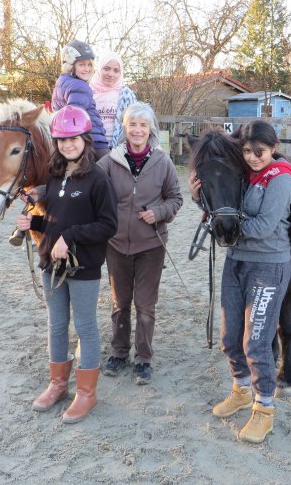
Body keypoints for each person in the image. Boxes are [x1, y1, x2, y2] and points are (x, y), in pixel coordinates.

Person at [188, 120, 291, 444]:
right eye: (247, 151)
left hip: (267, 266)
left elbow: (263, 226)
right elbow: (223, 201)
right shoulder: (245, 173)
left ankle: (264, 409)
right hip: (236, 262)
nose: (252, 157)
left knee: (256, 343)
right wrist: (200, 200)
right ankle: (241, 389)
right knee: (230, 336)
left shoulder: (281, 177)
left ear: (273, 148)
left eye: (259, 151)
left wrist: (225, 224)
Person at [15, 105, 118, 423]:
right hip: (51, 265)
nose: (68, 145)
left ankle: (86, 393)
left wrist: (71, 236)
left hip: (83, 267)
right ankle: (58, 384)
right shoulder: (56, 177)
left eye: (74, 139)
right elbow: (55, 224)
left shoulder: (98, 179)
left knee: (85, 327)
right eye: (62, 140)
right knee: (56, 325)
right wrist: (32, 224)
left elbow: (108, 225)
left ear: (85, 140)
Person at [97, 102, 183, 385]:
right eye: (132, 124)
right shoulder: (110, 161)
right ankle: (119, 352)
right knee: (120, 303)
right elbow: (88, 186)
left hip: (151, 246)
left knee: (145, 305)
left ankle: (143, 358)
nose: (137, 130)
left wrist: (158, 213)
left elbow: (175, 199)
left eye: (143, 125)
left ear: (151, 129)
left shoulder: (163, 161)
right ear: (125, 128)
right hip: (116, 245)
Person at [51, 39, 110, 160]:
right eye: (82, 64)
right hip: (94, 142)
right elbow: (75, 118)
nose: (87, 69)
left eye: (89, 64)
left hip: (82, 141)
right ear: (71, 66)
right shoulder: (79, 86)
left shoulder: (62, 82)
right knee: (110, 173)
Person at [90, 51, 138, 149]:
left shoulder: (126, 94)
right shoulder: (88, 92)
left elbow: (135, 122)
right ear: (99, 69)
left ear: (120, 73)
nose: (110, 74)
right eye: (106, 69)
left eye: (116, 70)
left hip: (118, 149)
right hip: (91, 147)